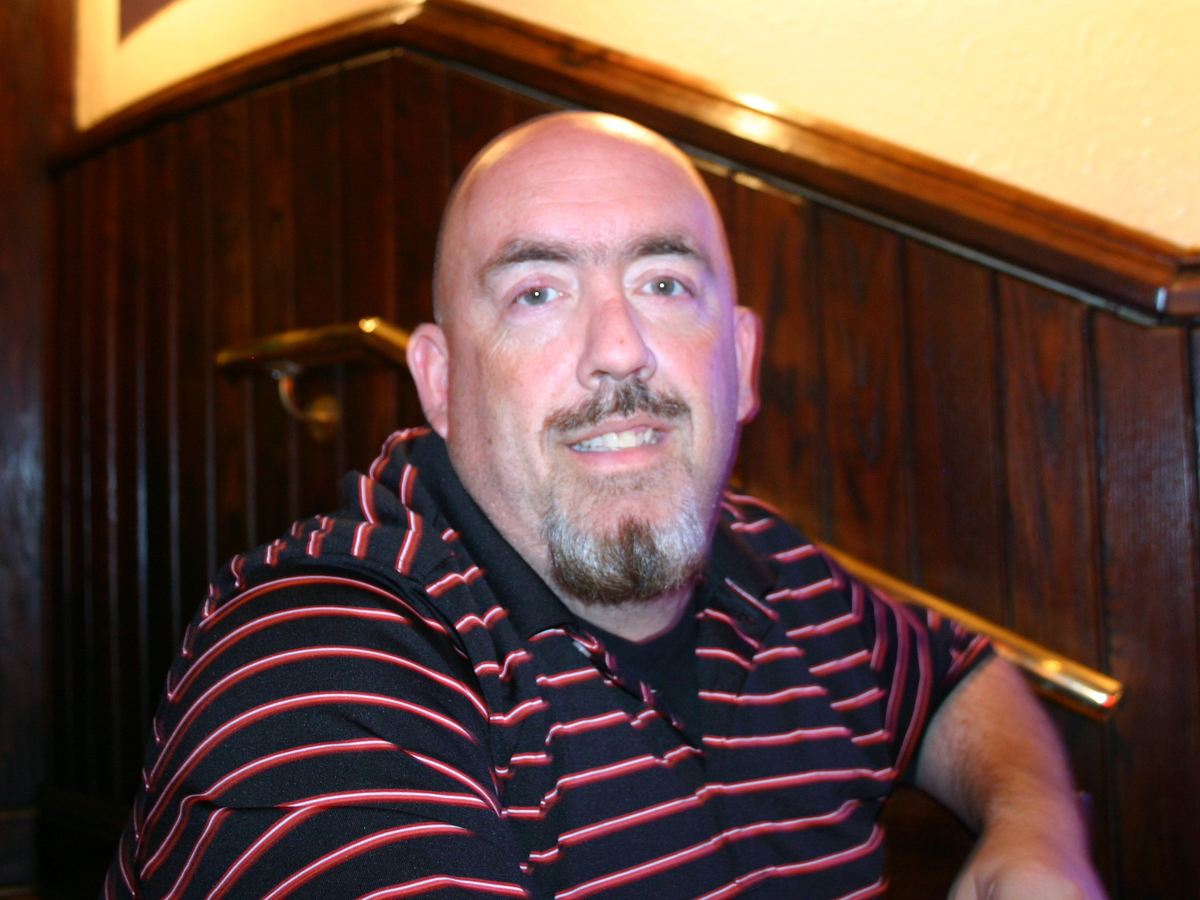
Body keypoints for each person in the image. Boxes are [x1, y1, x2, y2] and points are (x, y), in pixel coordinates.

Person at [105, 112, 1105, 900]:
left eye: (664, 283)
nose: (619, 349)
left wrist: (1036, 826)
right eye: (537, 293)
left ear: (742, 361)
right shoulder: (319, 669)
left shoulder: (776, 569)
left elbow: (956, 679)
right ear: (441, 384)